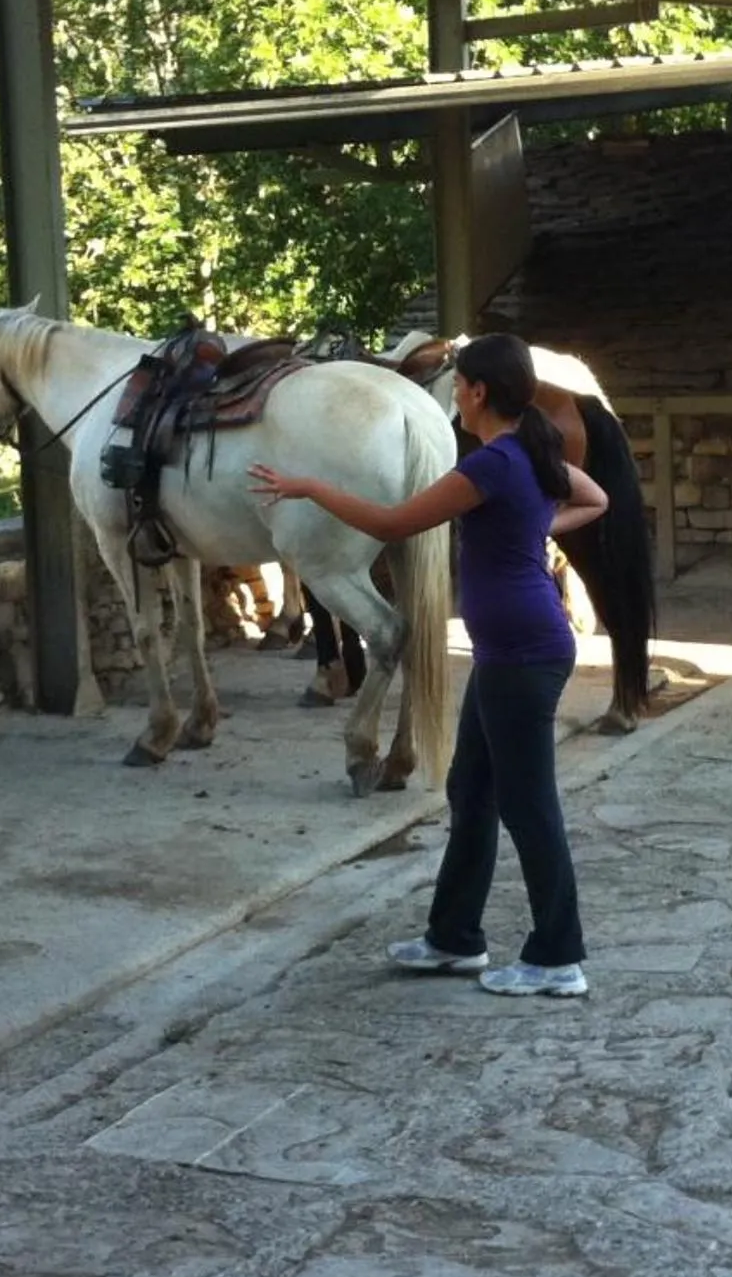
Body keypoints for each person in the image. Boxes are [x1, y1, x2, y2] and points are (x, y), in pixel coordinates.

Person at [251, 333, 607, 998]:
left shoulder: (495, 463)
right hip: (513, 651)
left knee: (528, 806)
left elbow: (392, 524)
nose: (455, 398)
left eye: (459, 387)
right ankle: (454, 938)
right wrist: (530, 530)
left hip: (523, 654)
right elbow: (595, 499)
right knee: (471, 791)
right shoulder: (528, 451)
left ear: (474, 392)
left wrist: (307, 487)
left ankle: (558, 954)